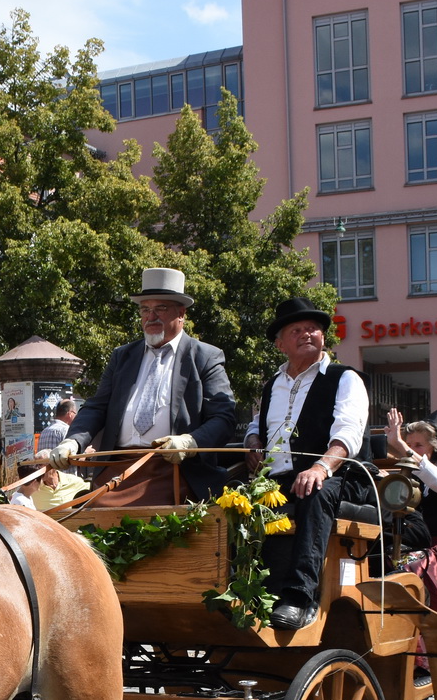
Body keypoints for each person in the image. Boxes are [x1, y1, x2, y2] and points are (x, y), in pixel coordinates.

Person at [46, 267, 239, 505]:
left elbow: (224, 418)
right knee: (78, 513)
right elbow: (97, 407)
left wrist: (190, 442)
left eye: (160, 309)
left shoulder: (205, 356)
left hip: (175, 470)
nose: (151, 316)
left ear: (181, 313)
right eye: (145, 309)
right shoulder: (122, 356)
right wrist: (73, 441)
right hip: (118, 467)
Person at [241, 296, 372, 630]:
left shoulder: (345, 378)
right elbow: (259, 424)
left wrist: (320, 468)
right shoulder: (273, 383)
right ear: (280, 343)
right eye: (296, 329)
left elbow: (348, 435)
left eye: (313, 328)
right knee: (235, 500)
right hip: (283, 478)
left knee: (314, 492)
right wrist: (253, 442)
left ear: (324, 337)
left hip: (342, 476)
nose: (306, 334)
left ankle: (300, 598)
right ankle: (244, 590)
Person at [385, 409, 437, 679]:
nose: (413, 450)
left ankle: (425, 657)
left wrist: (401, 446)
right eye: (411, 445)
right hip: (417, 543)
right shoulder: (408, 476)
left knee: (413, 569)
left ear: (434, 447)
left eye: (418, 445)